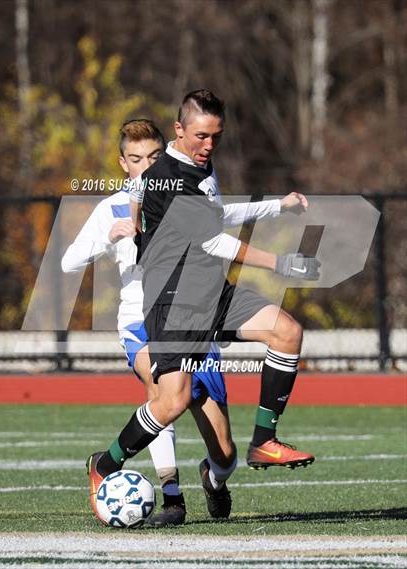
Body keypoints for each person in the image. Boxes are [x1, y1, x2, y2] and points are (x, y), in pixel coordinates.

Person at [87, 90, 320, 523]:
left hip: (211, 289)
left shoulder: (199, 166)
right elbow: (213, 240)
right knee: (171, 403)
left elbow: (214, 215)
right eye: (200, 136)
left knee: (287, 331)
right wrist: (281, 263)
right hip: (174, 300)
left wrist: (276, 207)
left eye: (216, 136)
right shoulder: (170, 175)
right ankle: (105, 465)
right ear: (179, 131)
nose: (209, 145)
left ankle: (264, 441)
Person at [61, 119, 239, 526]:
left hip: (193, 316)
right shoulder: (109, 208)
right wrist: (110, 235)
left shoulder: (191, 189)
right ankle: (171, 496)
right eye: (136, 159)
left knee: (226, 452)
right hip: (139, 321)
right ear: (123, 163)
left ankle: (213, 480)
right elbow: (68, 263)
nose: (146, 166)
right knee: (162, 393)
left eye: (154, 157)